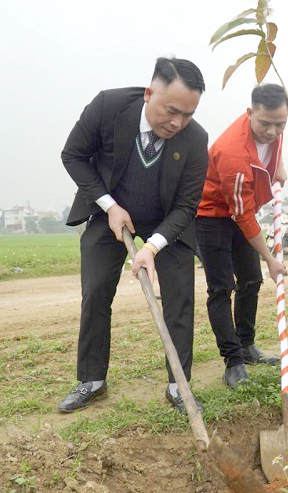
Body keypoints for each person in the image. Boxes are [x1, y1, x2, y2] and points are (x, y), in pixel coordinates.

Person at [59, 57, 209, 414]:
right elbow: (73, 156)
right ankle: (92, 380)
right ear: (148, 93)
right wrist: (110, 205)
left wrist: (153, 246)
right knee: (95, 292)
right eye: (172, 111)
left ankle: (178, 385)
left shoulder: (195, 138)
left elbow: (186, 206)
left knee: (180, 298)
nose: (178, 122)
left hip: (167, 220)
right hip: (108, 209)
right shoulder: (108, 107)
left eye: (187, 115)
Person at [196, 83, 288, 388]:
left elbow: (276, 143)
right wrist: (270, 258)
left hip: (239, 211)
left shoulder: (274, 124)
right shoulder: (232, 154)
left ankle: (247, 346)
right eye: (265, 124)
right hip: (212, 216)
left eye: (280, 124)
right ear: (250, 114)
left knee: (252, 280)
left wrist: (279, 166)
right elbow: (243, 216)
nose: (273, 132)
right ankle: (233, 361)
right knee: (222, 288)